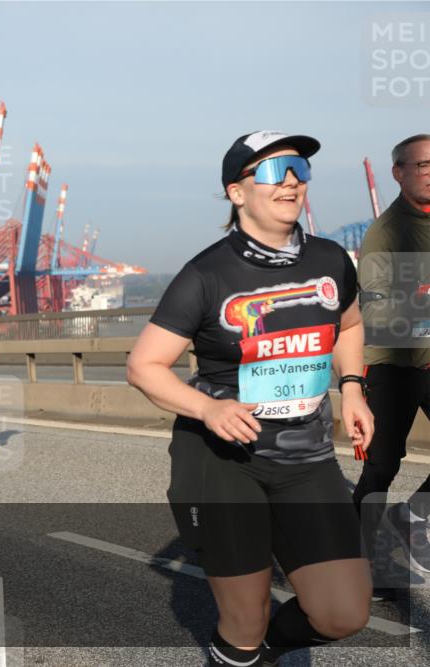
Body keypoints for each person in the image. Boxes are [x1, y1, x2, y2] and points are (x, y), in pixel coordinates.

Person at [127, 132, 374, 665]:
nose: (290, 180)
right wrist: (208, 408)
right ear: (236, 192)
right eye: (272, 170)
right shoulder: (206, 274)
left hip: (306, 460)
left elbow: (349, 325)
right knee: (245, 619)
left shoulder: (332, 259)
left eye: (300, 170)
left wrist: (352, 388)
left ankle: (262, 651)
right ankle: (242, 651)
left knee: (343, 614)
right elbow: (144, 366)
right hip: (224, 463)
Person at [352, 134, 430, 575]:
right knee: (381, 470)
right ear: (398, 173)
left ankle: (412, 514)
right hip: (390, 365)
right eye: (421, 166)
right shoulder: (384, 233)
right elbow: (379, 309)